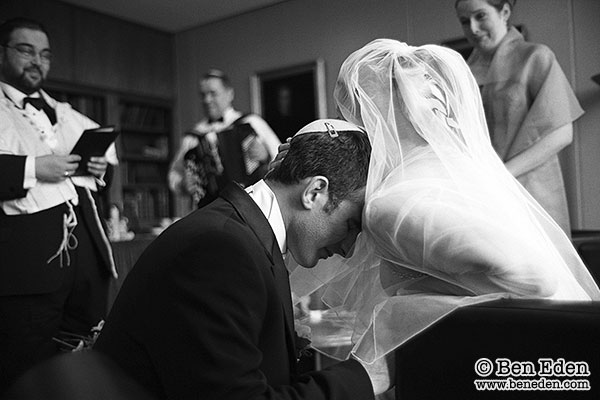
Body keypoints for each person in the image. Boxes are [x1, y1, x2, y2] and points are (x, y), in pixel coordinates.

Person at [289, 39, 600, 369]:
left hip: (527, 361)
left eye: (352, 112)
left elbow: (537, 279)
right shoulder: (442, 168)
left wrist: (402, 313)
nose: (351, 129)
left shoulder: (394, 203)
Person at [95, 119, 391, 399]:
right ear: (315, 192)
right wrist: (361, 379)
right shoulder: (221, 250)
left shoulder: (243, 236)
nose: (348, 249)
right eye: (351, 224)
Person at [0, 17, 118, 392]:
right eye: (26, 50)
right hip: (29, 269)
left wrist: (99, 167)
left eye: (45, 55)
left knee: (86, 359)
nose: (37, 61)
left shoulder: (63, 111)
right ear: (2, 53)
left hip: (87, 262)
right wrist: (34, 168)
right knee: (27, 366)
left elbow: (105, 166)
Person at [454, 0, 583, 236]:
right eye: (464, 21)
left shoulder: (535, 57)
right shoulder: (462, 73)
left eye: (480, 16)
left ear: (504, 12)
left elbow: (561, 133)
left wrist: (501, 175)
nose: (472, 28)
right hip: (483, 194)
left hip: (531, 190)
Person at [168, 69, 281, 209]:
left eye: (213, 93)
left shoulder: (252, 123)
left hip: (252, 206)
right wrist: (183, 184)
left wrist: (266, 156)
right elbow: (174, 174)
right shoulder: (193, 137)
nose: (207, 100)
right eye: (203, 95)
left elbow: (282, 159)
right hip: (209, 210)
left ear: (229, 94)